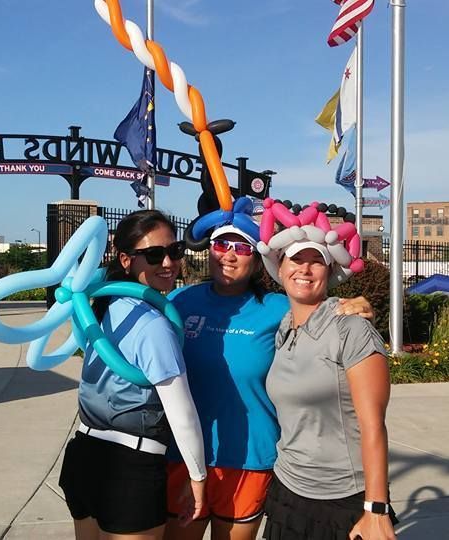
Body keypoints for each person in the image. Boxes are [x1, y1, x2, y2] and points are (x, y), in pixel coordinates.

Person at [164, 224, 373, 540]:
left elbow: (318, 302)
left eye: (244, 248)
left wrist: (357, 302)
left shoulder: (277, 307)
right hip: (184, 455)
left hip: (249, 457)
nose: (230, 256)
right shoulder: (180, 301)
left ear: (260, 261)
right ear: (209, 250)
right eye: (222, 245)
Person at [59, 210, 208, 540]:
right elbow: (181, 412)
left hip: (83, 455)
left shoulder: (109, 307)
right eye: (154, 254)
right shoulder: (154, 325)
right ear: (126, 260)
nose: (168, 262)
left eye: (175, 251)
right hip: (129, 468)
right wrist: (198, 478)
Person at [263, 239, 398, 540]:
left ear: (330, 270)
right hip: (289, 488)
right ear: (280, 268)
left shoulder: (352, 329)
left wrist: (376, 509)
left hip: (343, 496)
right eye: (296, 260)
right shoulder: (284, 329)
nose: (305, 269)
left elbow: (373, 426)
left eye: (316, 261)